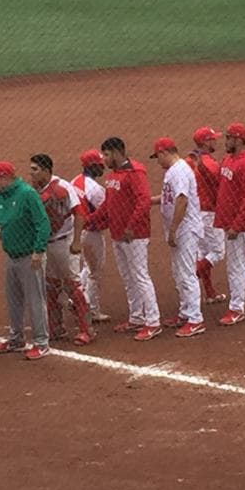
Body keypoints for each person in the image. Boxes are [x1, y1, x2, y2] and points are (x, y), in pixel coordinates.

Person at [0, 162, 52, 359]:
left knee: (35, 300)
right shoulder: (1, 197)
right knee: (14, 300)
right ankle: (16, 339)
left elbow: (43, 223)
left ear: (5, 178)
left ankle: (41, 343)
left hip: (30, 257)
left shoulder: (27, 194)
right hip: (12, 256)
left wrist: (39, 250)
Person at [87, 137, 160, 341]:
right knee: (129, 278)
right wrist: (90, 220)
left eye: (107, 155)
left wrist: (131, 226)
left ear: (118, 152)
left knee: (140, 277)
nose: (104, 160)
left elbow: (143, 201)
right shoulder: (113, 176)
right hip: (118, 235)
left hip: (134, 236)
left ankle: (153, 321)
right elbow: (108, 205)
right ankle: (136, 317)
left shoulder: (135, 173)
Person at [29, 153, 92, 346]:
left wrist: (76, 241)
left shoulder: (63, 187)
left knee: (73, 285)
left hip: (65, 241)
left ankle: (85, 329)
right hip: (46, 244)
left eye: (35, 169)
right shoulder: (33, 190)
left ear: (46, 170)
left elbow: (79, 213)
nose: (31, 173)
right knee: (51, 286)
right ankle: (57, 327)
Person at [149, 137, 206, 338]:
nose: (158, 162)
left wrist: (173, 228)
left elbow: (182, 200)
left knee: (187, 274)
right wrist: (151, 201)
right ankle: (185, 313)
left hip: (185, 229)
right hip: (180, 229)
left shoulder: (179, 171)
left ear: (165, 152)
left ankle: (195, 319)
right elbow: (169, 198)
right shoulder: (173, 171)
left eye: (158, 157)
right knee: (179, 273)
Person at [214, 122, 245, 325]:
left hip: (238, 223)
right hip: (228, 220)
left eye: (229, 138)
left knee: (235, 265)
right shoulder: (228, 159)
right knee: (240, 261)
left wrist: (237, 224)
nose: (226, 141)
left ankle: (236, 308)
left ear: (239, 140)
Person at [187, 126, 227, 305]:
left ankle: (210, 292)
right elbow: (220, 186)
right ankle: (190, 276)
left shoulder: (188, 161)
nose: (215, 141)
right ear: (205, 142)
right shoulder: (210, 163)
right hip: (209, 212)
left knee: (203, 252)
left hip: (194, 212)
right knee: (218, 252)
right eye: (212, 139)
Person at [73, 150, 110, 323]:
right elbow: (106, 212)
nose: (103, 167)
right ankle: (92, 309)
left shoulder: (75, 181)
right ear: (92, 166)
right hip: (91, 233)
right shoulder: (96, 189)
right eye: (99, 164)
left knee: (87, 266)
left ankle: (76, 298)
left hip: (76, 231)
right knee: (95, 271)